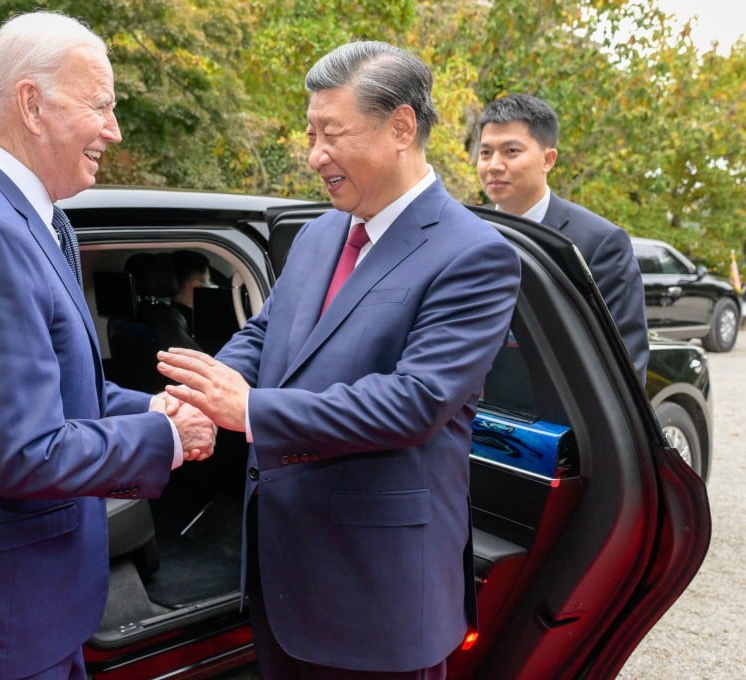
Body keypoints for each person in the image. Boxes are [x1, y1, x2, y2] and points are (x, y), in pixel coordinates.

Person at [157, 41, 521, 678]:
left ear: (401, 127)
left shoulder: (473, 254)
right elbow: (268, 334)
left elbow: (416, 402)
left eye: (332, 134)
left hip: (377, 595)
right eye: (310, 135)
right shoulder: (321, 232)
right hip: (283, 577)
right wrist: (201, 394)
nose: (314, 155)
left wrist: (250, 411)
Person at [0, 11, 215, 680]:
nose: (114, 130)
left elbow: (60, 385)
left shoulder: (33, 217)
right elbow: (26, 454)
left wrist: (153, 407)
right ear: (32, 105)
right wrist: (170, 438)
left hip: (18, 604)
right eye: (100, 106)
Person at [476, 93, 649, 383]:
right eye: (485, 153)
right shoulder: (466, 230)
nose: (494, 165)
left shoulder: (600, 243)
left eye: (511, 151)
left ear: (548, 159)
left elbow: (625, 364)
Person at [169, 249, 211, 331]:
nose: (209, 286)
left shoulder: (166, 315)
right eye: (208, 280)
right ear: (197, 286)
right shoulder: (199, 323)